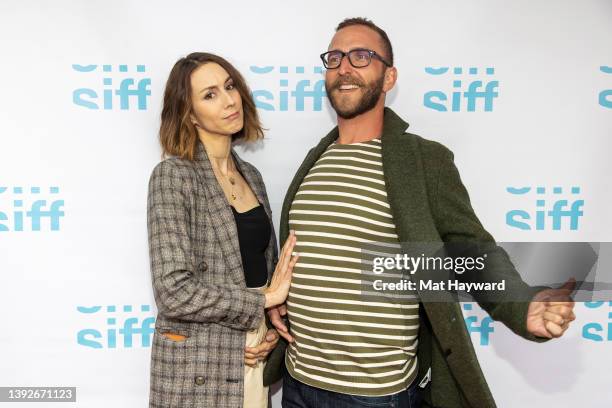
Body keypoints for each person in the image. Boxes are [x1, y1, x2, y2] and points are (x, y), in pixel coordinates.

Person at [264, 18, 576, 408]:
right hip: (298, 383)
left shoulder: (422, 159)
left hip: (373, 395)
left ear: (389, 76)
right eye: (335, 57)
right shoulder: (315, 160)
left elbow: (471, 249)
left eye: (361, 56)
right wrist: (281, 299)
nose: (344, 66)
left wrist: (521, 305)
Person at [147, 52, 298, 408]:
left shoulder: (253, 178)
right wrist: (262, 302)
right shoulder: (174, 176)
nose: (229, 100)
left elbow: (261, 275)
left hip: (254, 351)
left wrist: (269, 325)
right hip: (199, 366)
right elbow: (173, 290)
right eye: (210, 94)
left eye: (230, 86)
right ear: (188, 113)